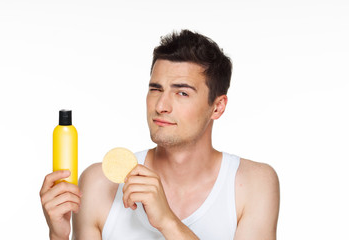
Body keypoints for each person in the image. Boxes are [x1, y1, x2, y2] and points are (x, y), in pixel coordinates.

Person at [40, 29, 280, 240]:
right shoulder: (100, 183)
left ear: (217, 107)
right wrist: (58, 236)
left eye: (182, 93)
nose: (161, 105)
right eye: (156, 89)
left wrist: (167, 221)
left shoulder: (252, 183)